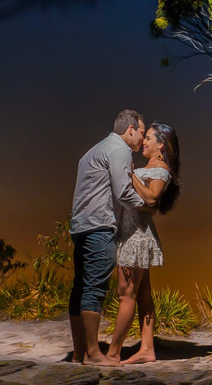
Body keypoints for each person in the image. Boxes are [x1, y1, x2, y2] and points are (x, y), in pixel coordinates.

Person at [69, 110, 149, 366]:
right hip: (99, 227)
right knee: (94, 288)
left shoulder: (91, 151)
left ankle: (78, 353)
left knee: (80, 288)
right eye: (142, 133)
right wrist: (146, 205)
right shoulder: (119, 150)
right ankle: (93, 354)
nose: (142, 140)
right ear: (130, 130)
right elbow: (123, 192)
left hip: (80, 226)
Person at [107, 122, 181, 365]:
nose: (144, 141)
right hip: (135, 231)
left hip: (136, 236)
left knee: (125, 295)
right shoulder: (150, 167)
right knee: (143, 294)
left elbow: (151, 197)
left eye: (148, 138)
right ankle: (147, 348)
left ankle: (113, 354)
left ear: (161, 144)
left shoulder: (160, 167)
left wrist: (130, 175)